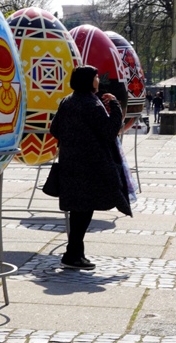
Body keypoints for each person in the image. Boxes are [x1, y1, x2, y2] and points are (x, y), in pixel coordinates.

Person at [48, 65, 133, 270]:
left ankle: (75, 254)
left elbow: (54, 128)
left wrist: (74, 140)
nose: (98, 80)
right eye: (96, 77)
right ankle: (73, 255)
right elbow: (109, 130)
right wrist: (115, 105)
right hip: (90, 166)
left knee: (79, 211)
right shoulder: (90, 104)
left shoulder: (68, 100)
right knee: (83, 211)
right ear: (89, 81)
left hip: (71, 163)